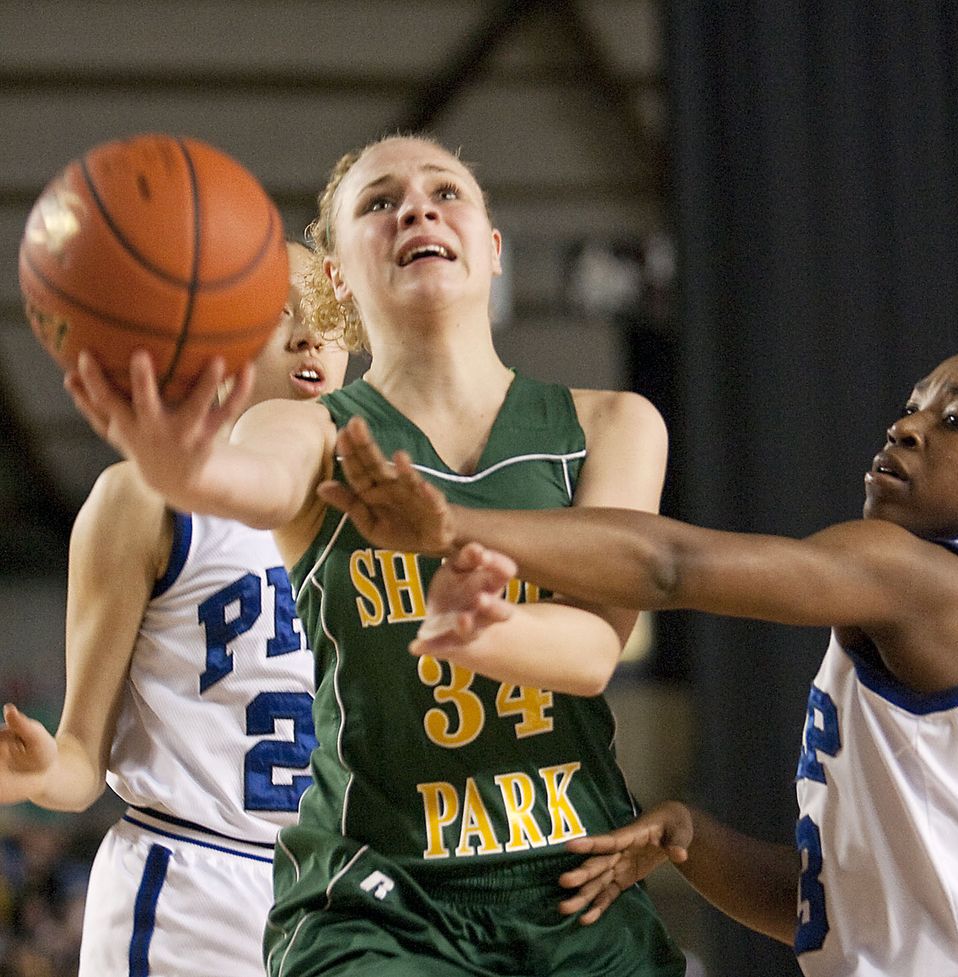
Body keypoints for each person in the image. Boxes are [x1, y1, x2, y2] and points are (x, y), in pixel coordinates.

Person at [314, 334, 958, 977]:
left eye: (957, 420)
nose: (910, 426)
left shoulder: (920, 577)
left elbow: (671, 564)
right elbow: (849, 908)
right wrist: (695, 838)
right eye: (915, 403)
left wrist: (455, 522)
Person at [63, 133, 686, 977]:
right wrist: (182, 463)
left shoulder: (614, 424)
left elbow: (591, 652)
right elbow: (256, 477)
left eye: (446, 191)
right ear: (340, 275)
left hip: (574, 879)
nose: (418, 207)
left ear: (494, 249)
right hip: (372, 891)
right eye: (380, 200)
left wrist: (482, 627)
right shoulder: (300, 433)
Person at [0, 240, 349, 977]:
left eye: (329, 318)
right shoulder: (144, 499)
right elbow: (79, 763)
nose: (308, 336)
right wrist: (33, 775)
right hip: (190, 883)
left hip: (345, 899)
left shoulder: (390, 514)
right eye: (278, 312)